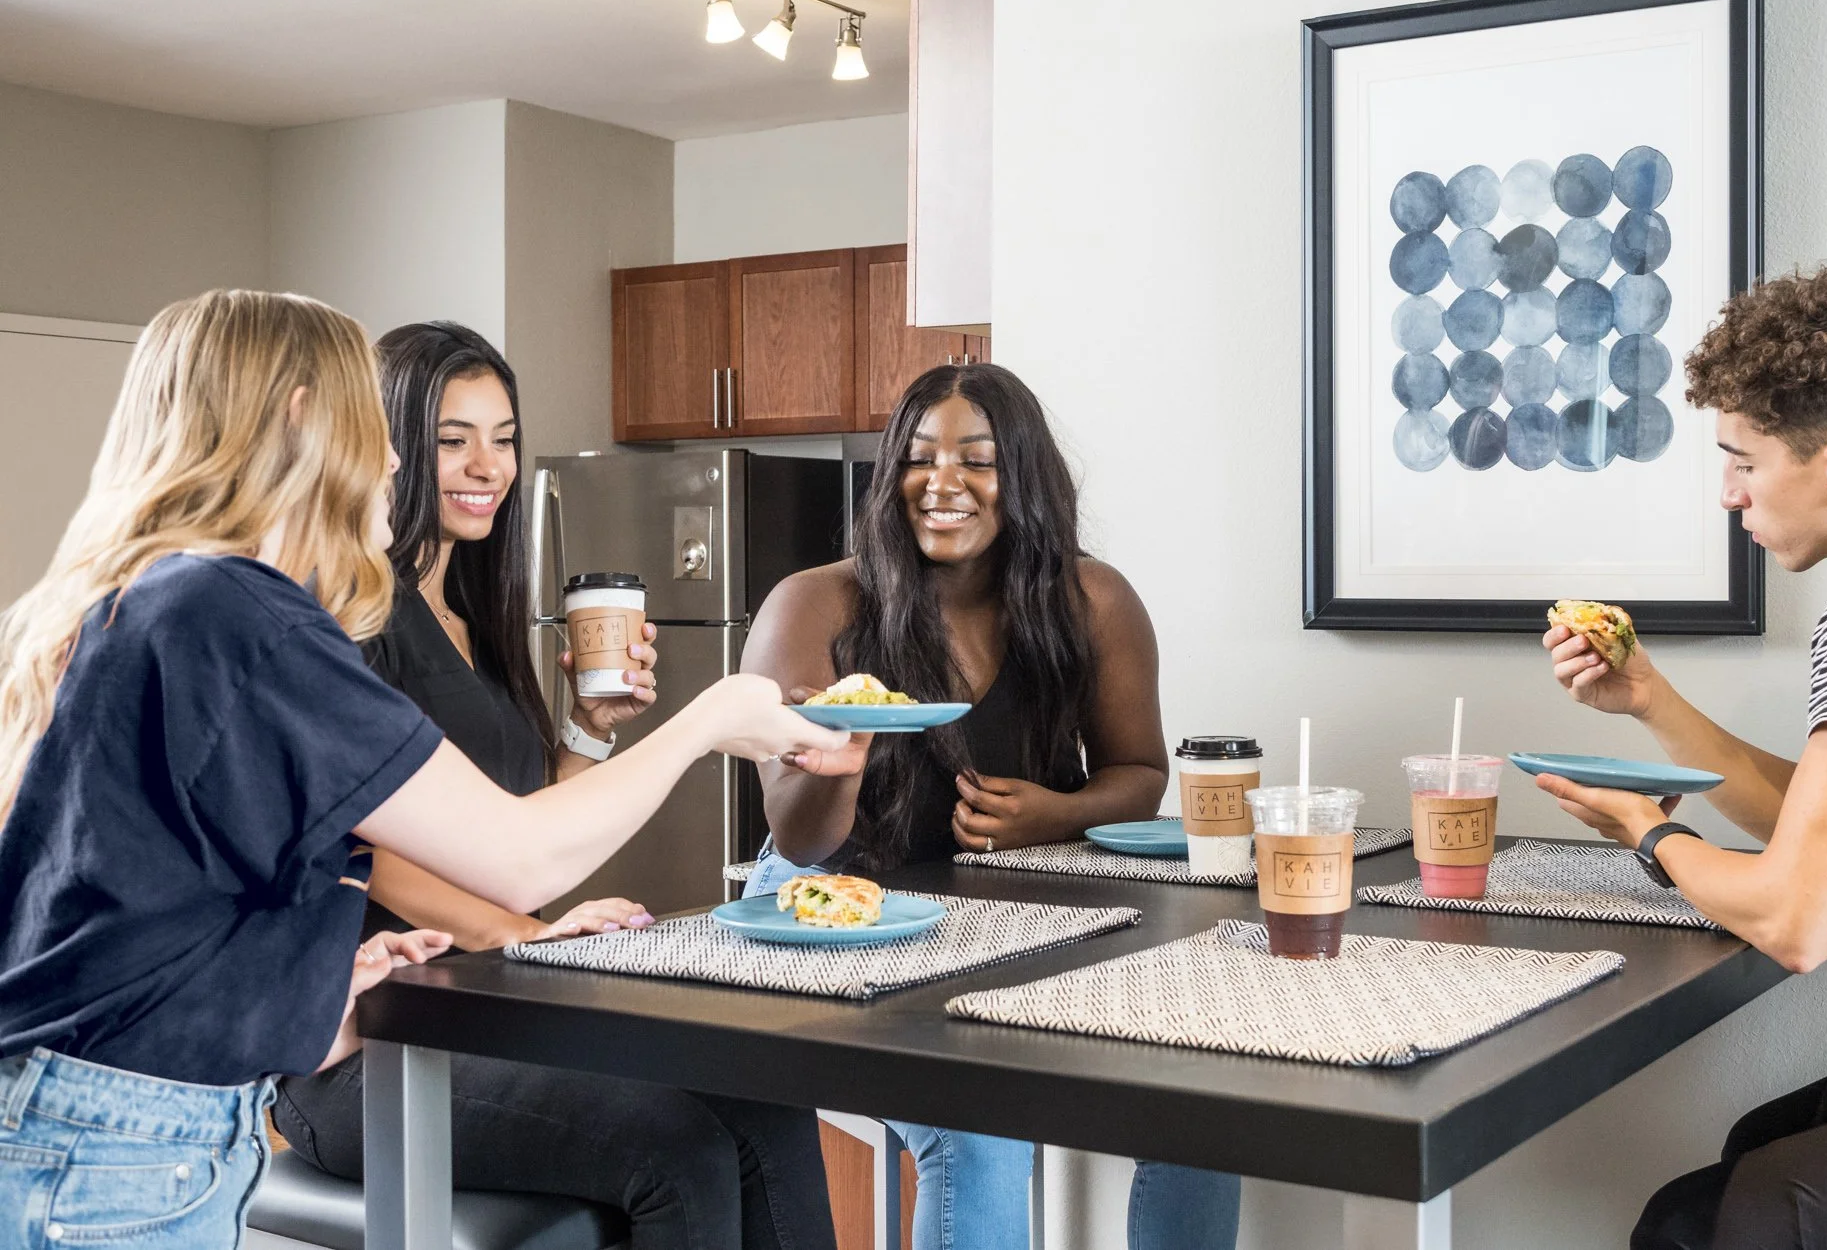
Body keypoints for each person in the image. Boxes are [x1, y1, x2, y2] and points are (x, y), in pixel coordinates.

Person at [0, 290, 843, 1248]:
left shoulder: (155, 602)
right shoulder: (241, 616)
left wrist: (325, 968)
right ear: (298, 420)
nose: (393, 460)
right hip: (114, 1148)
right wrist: (711, 719)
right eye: (379, 427)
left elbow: (141, 889)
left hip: (96, 1124)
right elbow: (517, 856)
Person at [272, 322, 837, 1250]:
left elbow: (521, 830)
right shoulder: (356, 612)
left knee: (767, 1104)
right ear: (389, 447)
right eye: (452, 439)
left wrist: (588, 727)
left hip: (486, 1005)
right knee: (678, 1149)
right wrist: (529, 934)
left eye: (503, 438)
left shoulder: (471, 620)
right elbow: (369, 858)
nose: (485, 465)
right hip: (368, 1041)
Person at [1535, 268, 1827, 1249]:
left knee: (1688, 1223)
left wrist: (1648, 832)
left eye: (1739, 458)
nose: (1726, 492)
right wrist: (1648, 700)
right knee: (1759, 1144)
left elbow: (1799, 919)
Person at [741, 362, 1240, 1250]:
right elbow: (799, 839)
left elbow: (1137, 771)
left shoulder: (1093, 601)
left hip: (1007, 924)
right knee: (978, 1132)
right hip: (836, 921)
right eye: (920, 457)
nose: (944, 483)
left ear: (1025, 478)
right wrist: (843, 756)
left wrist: (1054, 812)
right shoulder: (812, 605)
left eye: (978, 460)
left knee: (1205, 1098)